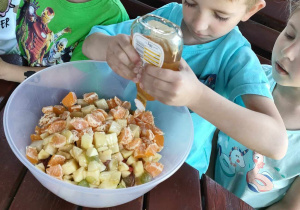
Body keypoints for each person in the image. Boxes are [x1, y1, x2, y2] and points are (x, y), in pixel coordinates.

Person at [82, 0, 288, 176]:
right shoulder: (166, 17)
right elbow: (90, 44)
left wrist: (197, 96)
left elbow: (276, 143)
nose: (198, 24)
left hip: (178, 168)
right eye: (191, 3)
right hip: (112, 144)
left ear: (250, 10)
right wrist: (110, 48)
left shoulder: (236, 57)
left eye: (220, 15)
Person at [214, 1, 300, 209]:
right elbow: (212, 136)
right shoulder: (249, 77)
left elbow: (289, 205)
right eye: (289, 34)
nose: (288, 52)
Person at [0, 0, 129, 82]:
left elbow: (67, 78)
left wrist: (6, 71)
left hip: (55, 95)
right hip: (19, 57)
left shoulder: (111, 15)